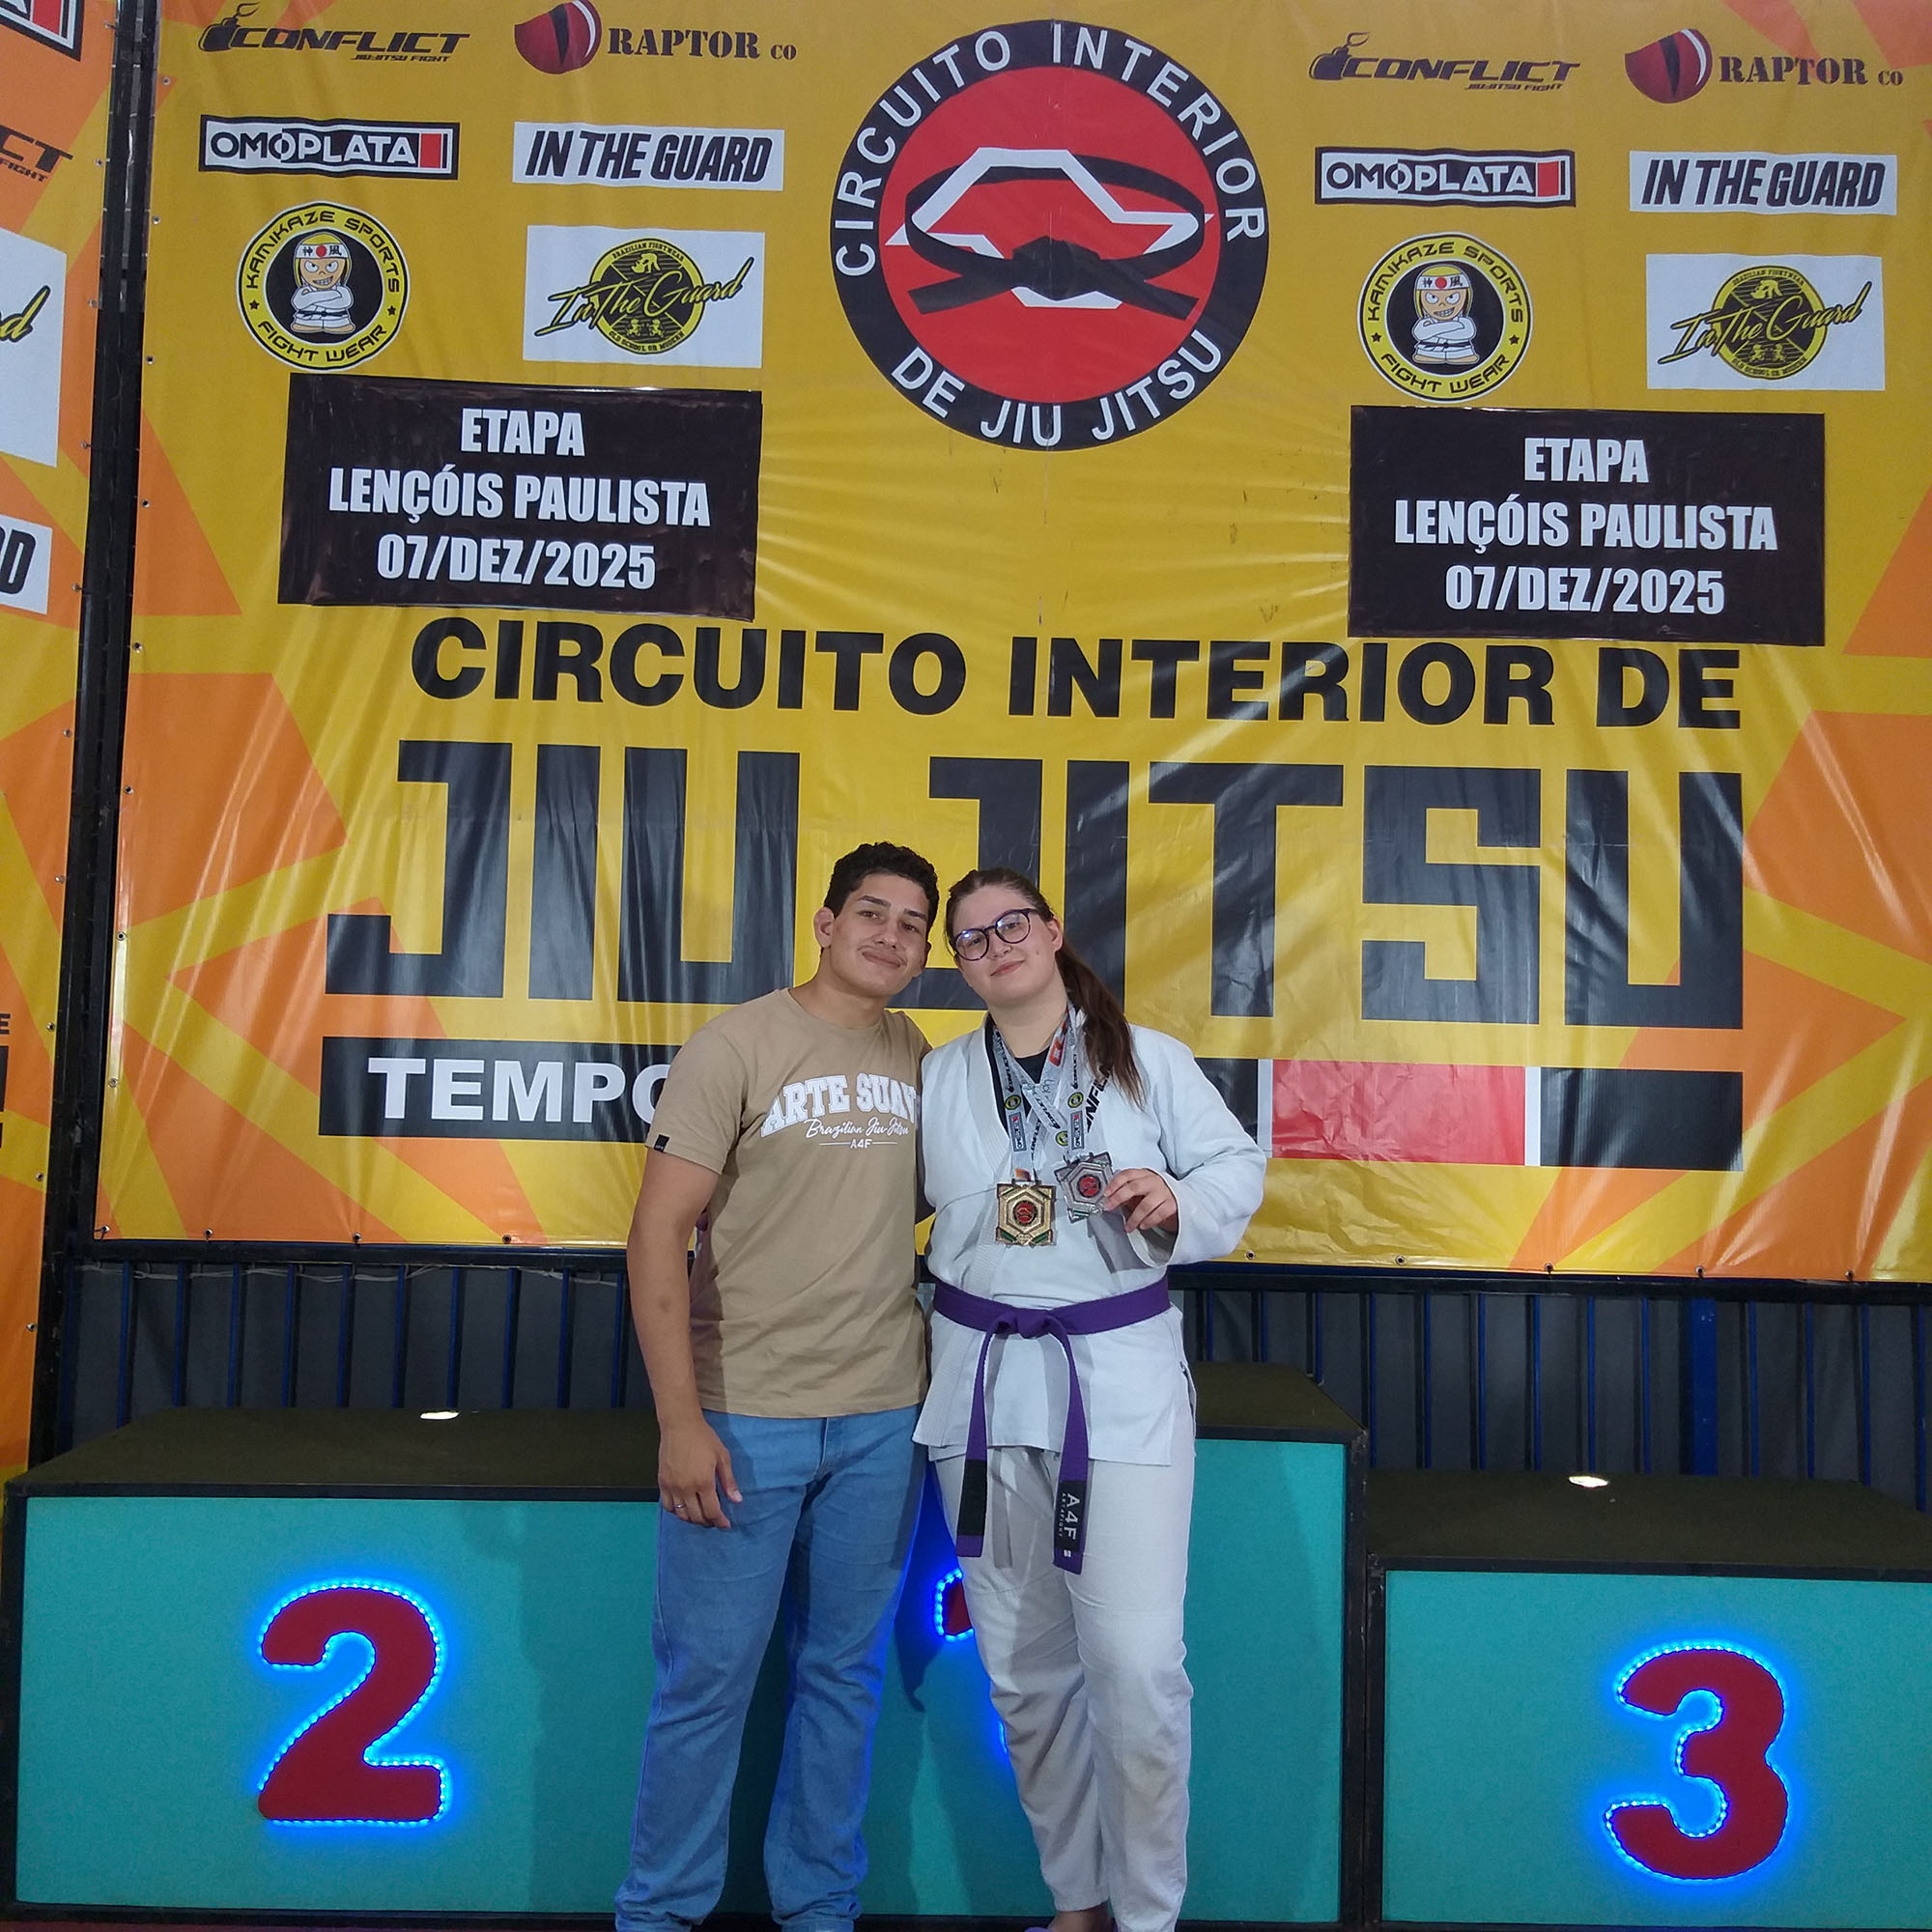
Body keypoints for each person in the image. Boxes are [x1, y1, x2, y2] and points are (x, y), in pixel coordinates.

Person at [915, 867, 1265, 1932]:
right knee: (1022, 1674)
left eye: (1011, 923)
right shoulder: (938, 1075)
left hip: (1115, 1383)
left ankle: (1148, 1914)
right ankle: (1077, 1898)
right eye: (972, 938)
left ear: (1053, 930)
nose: (995, 945)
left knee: (1137, 1668)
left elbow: (1234, 1165)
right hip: (977, 1385)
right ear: (959, 965)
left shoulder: (1146, 1059)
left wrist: (1176, 1196)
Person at [615, 841, 940, 1932]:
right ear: (823, 922)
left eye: (911, 924)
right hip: (742, 1414)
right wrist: (679, 1420)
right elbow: (656, 1235)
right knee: (706, 1682)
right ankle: (659, 1913)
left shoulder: (916, 1053)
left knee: (843, 1678)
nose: (890, 935)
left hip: (883, 1417)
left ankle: (818, 1905)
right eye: (871, 913)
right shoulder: (734, 1046)